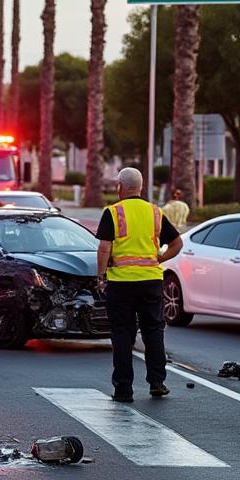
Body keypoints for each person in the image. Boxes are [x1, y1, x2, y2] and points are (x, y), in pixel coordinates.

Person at [95, 167, 184, 403]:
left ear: (120, 187)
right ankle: (157, 382)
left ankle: (123, 390)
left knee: (122, 334)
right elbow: (177, 243)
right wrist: (160, 259)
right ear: (141, 187)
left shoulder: (113, 212)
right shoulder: (155, 212)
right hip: (150, 282)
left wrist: (101, 277)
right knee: (153, 331)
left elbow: (104, 248)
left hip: (121, 283)